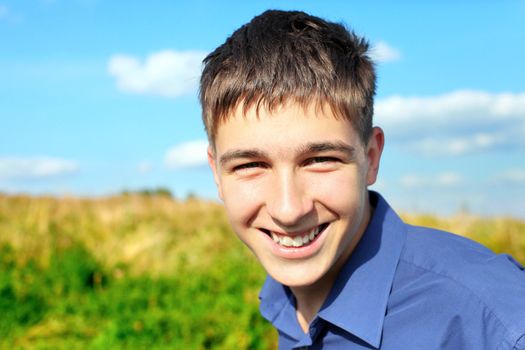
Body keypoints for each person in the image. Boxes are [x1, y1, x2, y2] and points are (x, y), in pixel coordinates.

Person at [199, 9, 525, 349]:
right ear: (216, 173)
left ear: (371, 158)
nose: (288, 209)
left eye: (320, 159)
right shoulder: (283, 302)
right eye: (251, 165)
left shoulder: (496, 322)